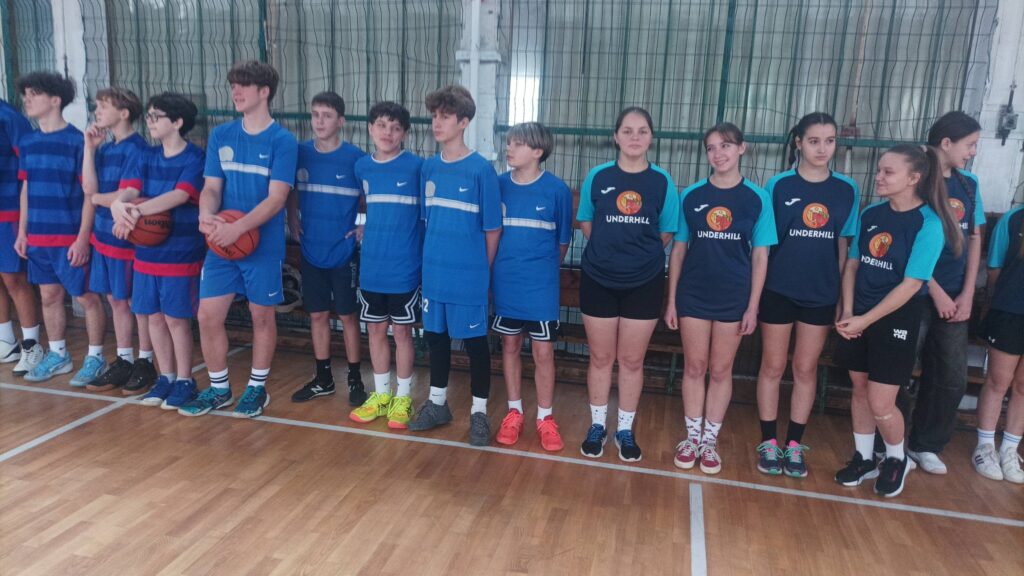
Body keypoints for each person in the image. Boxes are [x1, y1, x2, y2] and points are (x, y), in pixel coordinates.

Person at [833, 144, 954, 498]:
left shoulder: (929, 224)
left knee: (881, 401)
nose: (879, 177)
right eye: (879, 170)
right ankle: (864, 457)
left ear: (913, 178)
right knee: (859, 390)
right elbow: (853, 264)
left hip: (896, 317)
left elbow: (912, 284)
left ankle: (897, 459)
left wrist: (866, 320)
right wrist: (849, 312)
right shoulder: (872, 214)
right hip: (860, 314)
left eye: (888, 172)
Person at [178, 60, 298, 418]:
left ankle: (257, 389)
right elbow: (212, 188)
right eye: (233, 85)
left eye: (243, 85)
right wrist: (206, 215)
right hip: (222, 243)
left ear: (264, 92)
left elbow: (277, 199)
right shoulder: (222, 135)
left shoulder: (283, 141)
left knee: (262, 317)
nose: (235, 91)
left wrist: (239, 227)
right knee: (207, 316)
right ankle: (219, 390)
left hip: (261, 246)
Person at [666, 122, 776, 475]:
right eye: (711, 148)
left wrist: (753, 306)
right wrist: (672, 300)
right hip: (694, 294)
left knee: (720, 370)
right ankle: (692, 438)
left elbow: (760, 256)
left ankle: (710, 441)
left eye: (726, 145)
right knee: (695, 367)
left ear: (742, 148)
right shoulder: (692, 195)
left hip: (733, 296)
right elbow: (679, 250)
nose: (718, 153)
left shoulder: (758, 198)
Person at [754, 113, 859, 478]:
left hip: (820, 294)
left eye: (829, 141)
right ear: (798, 143)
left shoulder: (846, 189)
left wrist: (842, 300)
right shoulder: (778, 185)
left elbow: (843, 247)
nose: (822, 148)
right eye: (814, 141)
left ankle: (794, 445)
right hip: (778, 289)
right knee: (772, 366)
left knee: (805, 368)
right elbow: (765, 243)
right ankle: (769, 441)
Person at [577, 106, 679, 462]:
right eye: (627, 131)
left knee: (632, 360)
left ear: (651, 137)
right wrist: (611, 253)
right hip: (598, 279)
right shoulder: (598, 176)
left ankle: (624, 430)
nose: (635, 137)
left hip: (644, 282)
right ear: (616, 136)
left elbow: (666, 231)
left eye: (642, 131)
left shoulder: (662, 181)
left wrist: (637, 257)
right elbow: (587, 223)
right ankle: (597, 426)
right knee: (601, 357)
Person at [407, 85, 501, 447]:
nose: (437, 122)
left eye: (445, 117)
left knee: (476, 345)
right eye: (434, 116)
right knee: (436, 340)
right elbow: (425, 222)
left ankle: (479, 412)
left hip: (468, 277)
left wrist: (481, 271)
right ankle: (437, 404)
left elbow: (492, 229)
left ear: (463, 122)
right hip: (435, 274)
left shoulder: (481, 171)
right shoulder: (428, 168)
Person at [108, 92, 205, 409]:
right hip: (146, 253)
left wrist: (136, 212)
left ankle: (185, 380)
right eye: (148, 116)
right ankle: (165, 377)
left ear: (177, 122)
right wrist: (119, 207)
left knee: (176, 319)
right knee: (152, 317)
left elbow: (180, 195)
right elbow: (129, 190)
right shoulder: (146, 156)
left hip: (180, 252)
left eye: (155, 116)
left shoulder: (195, 158)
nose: (149, 121)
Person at [14, 71, 108, 386]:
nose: (27, 99)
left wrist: (82, 238)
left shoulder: (77, 141)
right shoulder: (28, 142)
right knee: (49, 296)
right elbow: (26, 188)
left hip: (69, 238)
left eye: (34, 94)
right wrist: (23, 232)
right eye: (25, 94)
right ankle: (58, 354)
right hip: (38, 238)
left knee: (86, 297)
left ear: (55, 100)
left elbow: (89, 194)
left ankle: (95, 357)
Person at [905, 112, 984, 474]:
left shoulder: (969, 184)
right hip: (915, 295)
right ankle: (891, 444)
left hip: (955, 297)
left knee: (951, 377)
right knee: (900, 372)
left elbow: (974, 239)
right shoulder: (917, 179)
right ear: (946, 143)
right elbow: (906, 239)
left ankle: (926, 444)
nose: (972, 152)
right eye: (969, 145)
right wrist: (933, 289)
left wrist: (967, 293)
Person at [491, 122, 573, 451]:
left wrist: (540, 269)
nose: (509, 148)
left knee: (543, 352)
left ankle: (545, 418)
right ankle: (514, 412)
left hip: (541, 288)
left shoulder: (557, 190)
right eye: (509, 142)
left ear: (538, 151)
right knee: (509, 346)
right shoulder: (498, 186)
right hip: (505, 284)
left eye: (518, 144)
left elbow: (563, 243)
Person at [286, 91, 367, 407]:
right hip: (311, 248)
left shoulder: (356, 159)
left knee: (347, 316)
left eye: (327, 115)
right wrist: (292, 218)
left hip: (343, 250)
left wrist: (363, 226)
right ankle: (323, 379)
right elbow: (290, 189)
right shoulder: (300, 153)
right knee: (317, 314)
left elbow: (373, 197)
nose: (319, 121)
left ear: (341, 121)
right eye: (315, 114)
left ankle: (355, 378)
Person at [348, 101, 423, 429]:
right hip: (372, 266)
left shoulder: (417, 167)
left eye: (395, 128)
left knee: (402, 332)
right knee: (376, 330)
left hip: (404, 266)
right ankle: (380, 395)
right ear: (370, 129)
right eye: (381, 125)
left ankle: (403, 397)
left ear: (404, 133)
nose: (387, 133)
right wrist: (363, 227)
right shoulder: (362, 167)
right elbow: (370, 207)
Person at [82, 87, 156, 393]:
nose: (97, 111)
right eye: (96, 106)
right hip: (103, 236)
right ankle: (124, 359)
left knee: (136, 302)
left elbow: (126, 194)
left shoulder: (136, 149)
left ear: (124, 113)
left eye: (104, 106)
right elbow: (89, 188)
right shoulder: (105, 148)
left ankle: (145, 361)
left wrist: (99, 198)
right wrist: (89, 149)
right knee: (115, 300)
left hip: (126, 237)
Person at [972, 203, 1024, 484]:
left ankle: (1009, 450)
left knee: (1022, 386)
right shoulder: (1014, 219)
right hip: (1010, 312)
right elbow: (994, 267)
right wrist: (999, 301)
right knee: (998, 381)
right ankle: (985, 447)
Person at [0, 97, 41, 375]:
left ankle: (31, 346)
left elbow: (29, 165)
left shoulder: (9, 118)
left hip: (10, 209)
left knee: (14, 278)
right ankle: (6, 341)